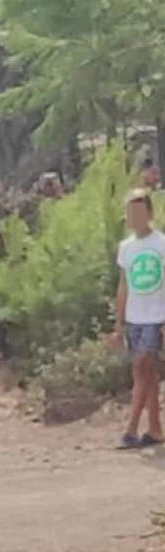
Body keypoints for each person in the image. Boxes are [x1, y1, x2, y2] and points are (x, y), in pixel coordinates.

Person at [113, 188, 165, 448]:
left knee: (145, 365)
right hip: (135, 317)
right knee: (145, 374)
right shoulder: (126, 248)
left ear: (149, 213)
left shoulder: (162, 244)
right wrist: (118, 321)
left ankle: (131, 429)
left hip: (156, 317)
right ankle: (155, 429)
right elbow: (124, 286)